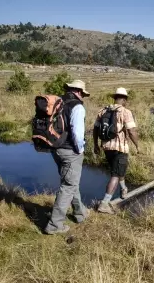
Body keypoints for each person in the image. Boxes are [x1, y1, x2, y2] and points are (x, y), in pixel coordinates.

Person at [45, 80, 90, 235]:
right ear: (79, 91)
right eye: (83, 93)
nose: (83, 96)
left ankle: (80, 213)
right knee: (68, 186)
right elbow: (77, 134)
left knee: (71, 182)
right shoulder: (77, 107)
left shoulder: (59, 102)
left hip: (55, 148)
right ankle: (54, 225)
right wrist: (80, 149)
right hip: (70, 151)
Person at [93, 87, 139, 214]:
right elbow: (131, 131)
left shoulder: (103, 110)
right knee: (115, 175)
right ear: (124, 99)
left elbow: (96, 129)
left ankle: (123, 188)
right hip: (120, 148)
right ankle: (104, 203)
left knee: (118, 170)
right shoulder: (125, 112)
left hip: (106, 147)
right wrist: (137, 146)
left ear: (114, 98)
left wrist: (96, 145)